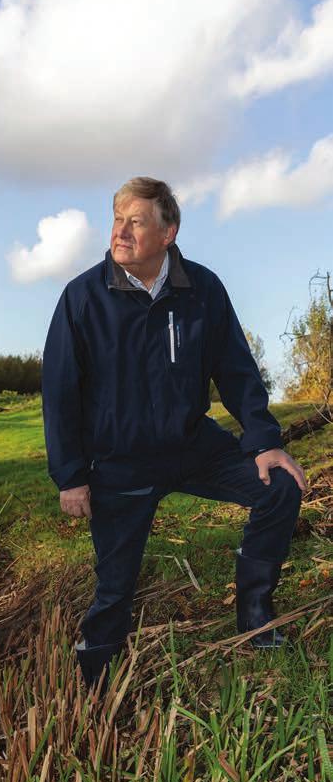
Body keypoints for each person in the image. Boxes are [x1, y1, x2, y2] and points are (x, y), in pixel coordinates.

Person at [41, 177, 307, 691]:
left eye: (135, 221)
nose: (120, 232)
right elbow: (60, 393)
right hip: (120, 462)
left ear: (168, 232)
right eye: (117, 218)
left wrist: (265, 439)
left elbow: (236, 371)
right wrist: (70, 476)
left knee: (281, 488)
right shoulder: (82, 298)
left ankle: (255, 618)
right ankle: (92, 679)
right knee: (114, 590)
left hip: (192, 447)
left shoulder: (202, 290)